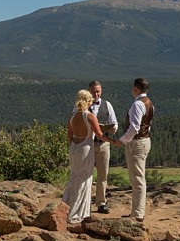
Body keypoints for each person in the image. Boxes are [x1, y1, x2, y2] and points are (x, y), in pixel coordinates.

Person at [108, 78, 154, 223]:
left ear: (135, 88)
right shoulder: (150, 104)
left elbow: (134, 128)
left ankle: (138, 213)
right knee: (138, 177)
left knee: (137, 179)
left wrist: (121, 140)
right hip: (145, 140)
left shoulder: (137, 105)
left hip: (137, 143)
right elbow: (148, 124)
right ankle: (136, 211)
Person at [62, 89, 106, 227]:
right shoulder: (90, 116)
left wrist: (73, 147)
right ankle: (79, 212)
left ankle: (67, 207)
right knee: (85, 180)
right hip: (85, 149)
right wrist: (113, 141)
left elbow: (69, 136)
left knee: (74, 178)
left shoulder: (72, 116)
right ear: (88, 101)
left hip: (74, 148)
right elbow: (99, 134)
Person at [87, 80, 118, 215]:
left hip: (103, 144)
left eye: (98, 91)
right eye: (94, 91)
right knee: (86, 175)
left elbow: (114, 123)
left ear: (101, 91)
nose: (96, 94)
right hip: (87, 144)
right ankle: (85, 202)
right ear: (89, 91)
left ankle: (101, 202)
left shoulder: (107, 105)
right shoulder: (82, 106)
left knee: (102, 175)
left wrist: (112, 129)